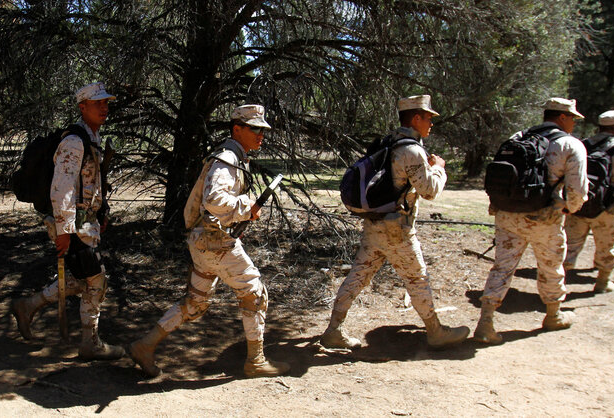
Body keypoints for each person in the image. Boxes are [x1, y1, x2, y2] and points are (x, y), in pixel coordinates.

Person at [129, 104, 290, 378]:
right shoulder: (227, 158)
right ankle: (256, 361)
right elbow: (214, 200)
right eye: (255, 129)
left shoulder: (234, 157)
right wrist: (246, 206)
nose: (261, 135)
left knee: (195, 303)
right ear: (237, 129)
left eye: (262, 130)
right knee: (254, 292)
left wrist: (242, 211)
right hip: (214, 243)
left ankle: (145, 345)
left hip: (204, 242)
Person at [320, 95, 469, 350]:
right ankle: (435, 332)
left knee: (357, 277)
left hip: (376, 223)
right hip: (397, 230)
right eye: (429, 117)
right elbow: (429, 190)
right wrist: (439, 168)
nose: (431, 123)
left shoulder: (390, 143)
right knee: (417, 278)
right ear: (416, 118)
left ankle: (334, 330)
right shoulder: (411, 150)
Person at [11, 82, 124, 361]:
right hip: (72, 225)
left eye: (106, 103)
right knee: (97, 280)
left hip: (86, 223)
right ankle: (90, 342)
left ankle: (28, 306)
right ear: (82, 107)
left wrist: (102, 212)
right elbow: (61, 189)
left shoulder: (92, 139)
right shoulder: (74, 141)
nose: (104, 108)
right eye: (98, 103)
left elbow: (92, 184)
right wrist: (64, 231)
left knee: (77, 280)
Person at [474, 97, 588, 345]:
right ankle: (553, 315)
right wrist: (569, 208)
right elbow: (577, 191)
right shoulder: (570, 144)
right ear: (562, 118)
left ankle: (486, 322)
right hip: (544, 217)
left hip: (507, 214)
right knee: (550, 265)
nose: (574, 124)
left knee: (502, 267)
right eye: (572, 119)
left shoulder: (518, 136)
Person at [563, 110, 614, 293]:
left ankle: (559, 280)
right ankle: (603, 282)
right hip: (609, 207)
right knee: (607, 245)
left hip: (579, 204)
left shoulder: (582, 145)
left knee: (570, 244)